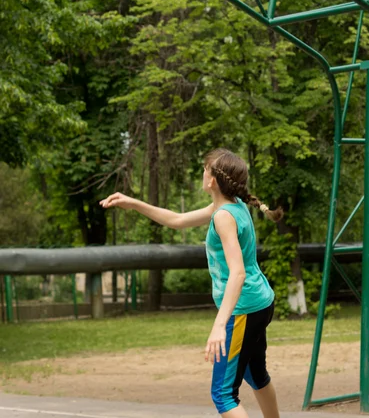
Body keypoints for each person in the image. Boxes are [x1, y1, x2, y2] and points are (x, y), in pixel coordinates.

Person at [100, 148, 282, 418]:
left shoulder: (223, 216)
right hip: (260, 302)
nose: (202, 173)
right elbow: (177, 220)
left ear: (212, 180)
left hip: (242, 309)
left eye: (204, 169)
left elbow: (238, 273)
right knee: (256, 375)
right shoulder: (231, 206)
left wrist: (220, 324)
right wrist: (134, 203)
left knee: (223, 395)